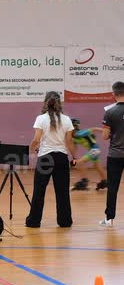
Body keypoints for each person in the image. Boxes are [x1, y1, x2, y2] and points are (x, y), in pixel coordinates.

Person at [26, 91, 78, 228]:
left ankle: (33, 221)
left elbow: (36, 140)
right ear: (59, 103)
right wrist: (74, 157)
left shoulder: (40, 118)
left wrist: (29, 150)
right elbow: (69, 142)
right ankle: (65, 221)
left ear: (45, 102)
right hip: (61, 158)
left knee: (39, 191)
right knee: (62, 192)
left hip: (45, 158)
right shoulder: (66, 119)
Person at [99, 81, 124, 227]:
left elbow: (105, 136)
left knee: (113, 187)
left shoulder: (110, 112)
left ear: (113, 94)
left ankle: (109, 219)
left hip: (115, 155)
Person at [70, 118, 108, 191]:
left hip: (94, 150)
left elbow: (94, 129)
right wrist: (74, 157)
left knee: (79, 162)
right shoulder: (74, 137)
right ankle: (104, 181)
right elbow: (74, 148)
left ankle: (84, 181)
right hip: (94, 150)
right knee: (97, 166)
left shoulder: (80, 133)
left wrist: (106, 131)